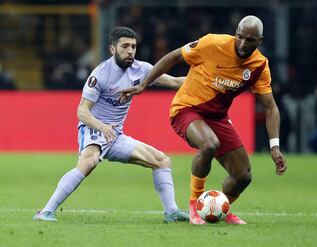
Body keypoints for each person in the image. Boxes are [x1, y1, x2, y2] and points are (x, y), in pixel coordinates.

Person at [120, 16, 287, 225]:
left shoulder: (259, 66)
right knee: (209, 145)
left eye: (250, 40)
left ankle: (221, 208)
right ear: (236, 33)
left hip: (217, 117)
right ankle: (194, 206)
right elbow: (173, 57)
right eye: (240, 37)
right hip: (186, 108)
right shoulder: (212, 43)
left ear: (260, 40)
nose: (243, 44)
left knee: (243, 176)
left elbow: (270, 107)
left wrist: (275, 146)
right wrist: (144, 85)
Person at [33, 26, 189, 223]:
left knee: (162, 161)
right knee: (88, 162)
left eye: (133, 46)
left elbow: (175, 82)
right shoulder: (100, 74)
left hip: (115, 135)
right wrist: (101, 126)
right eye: (125, 46)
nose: (130, 50)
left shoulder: (143, 69)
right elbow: (82, 111)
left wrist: (207, 79)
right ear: (112, 49)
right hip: (94, 129)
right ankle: (46, 211)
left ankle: (172, 212)